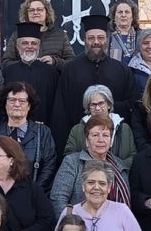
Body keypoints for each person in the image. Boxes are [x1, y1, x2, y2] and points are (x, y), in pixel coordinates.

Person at [50, 14, 138, 150]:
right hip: (79, 143)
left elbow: (132, 105)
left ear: (107, 40)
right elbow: (61, 111)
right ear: (85, 40)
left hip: (114, 144)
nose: (96, 42)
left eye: (100, 38)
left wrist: (108, 108)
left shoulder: (121, 70)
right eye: (91, 38)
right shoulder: (70, 69)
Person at [0, 81, 58, 191]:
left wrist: (34, 192)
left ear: (29, 106)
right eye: (12, 100)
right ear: (5, 103)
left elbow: (49, 166)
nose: (17, 104)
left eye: (22, 101)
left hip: (33, 197)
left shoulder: (43, 132)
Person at [51, 114, 132, 213]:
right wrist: (71, 224)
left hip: (115, 225)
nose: (101, 140)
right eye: (95, 135)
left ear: (111, 141)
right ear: (86, 141)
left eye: (105, 135)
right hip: (79, 224)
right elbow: (58, 199)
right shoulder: (72, 162)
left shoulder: (119, 164)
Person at [63, 85, 136, 168]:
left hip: (119, 176)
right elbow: (69, 154)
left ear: (109, 105)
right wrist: (95, 168)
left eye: (101, 103)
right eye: (93, 105)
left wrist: (113, 168)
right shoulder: (77, 130)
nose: (97, 108)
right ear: (88, 108)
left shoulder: (124, 129)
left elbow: (132, 156)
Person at [2, 22, 59, 124]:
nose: (29, 46)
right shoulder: (8, 72)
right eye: (25, 43)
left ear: (39, 46)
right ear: (17, 46)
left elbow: (56, 106)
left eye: (34, 43)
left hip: (44, 129)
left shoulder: (51, 72)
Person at [1, 0, 75, 67]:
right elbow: (5, 63)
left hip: (53, 77)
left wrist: (54, 61)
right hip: (24, 78)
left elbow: (72, 62)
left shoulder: (60, 35)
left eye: (39, 9)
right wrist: (24, 63)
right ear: (26, 14)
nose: (35, 13)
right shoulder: (17, 35)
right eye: (31, 10)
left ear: (47, 12)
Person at [107, 0, 140, 65]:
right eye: (120, 12)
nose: (123, 15)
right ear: (114, 16)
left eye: (127, 12)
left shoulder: (141, 36)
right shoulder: (106, 36)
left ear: (133, 17)